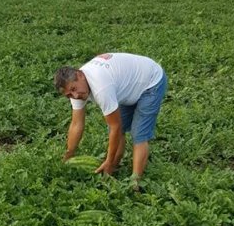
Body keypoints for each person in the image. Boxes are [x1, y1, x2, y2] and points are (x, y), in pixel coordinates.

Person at [53, 52, 168, 180]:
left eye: (74, 89)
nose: (75, 96)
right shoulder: (76, 89)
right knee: (120, 129)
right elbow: (76, 124)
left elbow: (115, 127)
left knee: (139, 133)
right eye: (69, 95)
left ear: (80, 75)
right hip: (129, 83)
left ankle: (135, 181)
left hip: (151, 81)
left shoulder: (101, 87)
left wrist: (108, 160)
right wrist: (69, 154)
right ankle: (114, 167)